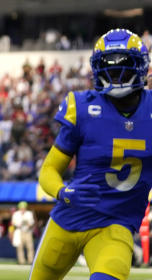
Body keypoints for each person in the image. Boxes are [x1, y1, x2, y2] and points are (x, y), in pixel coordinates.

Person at [29, 28, 152, 280]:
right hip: (67, 221)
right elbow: (49, 170)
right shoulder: (82, 107)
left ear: (141, 67)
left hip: (115, 225)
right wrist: (63, 191)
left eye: (124, 65)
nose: (114, 74)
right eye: (107, 66)